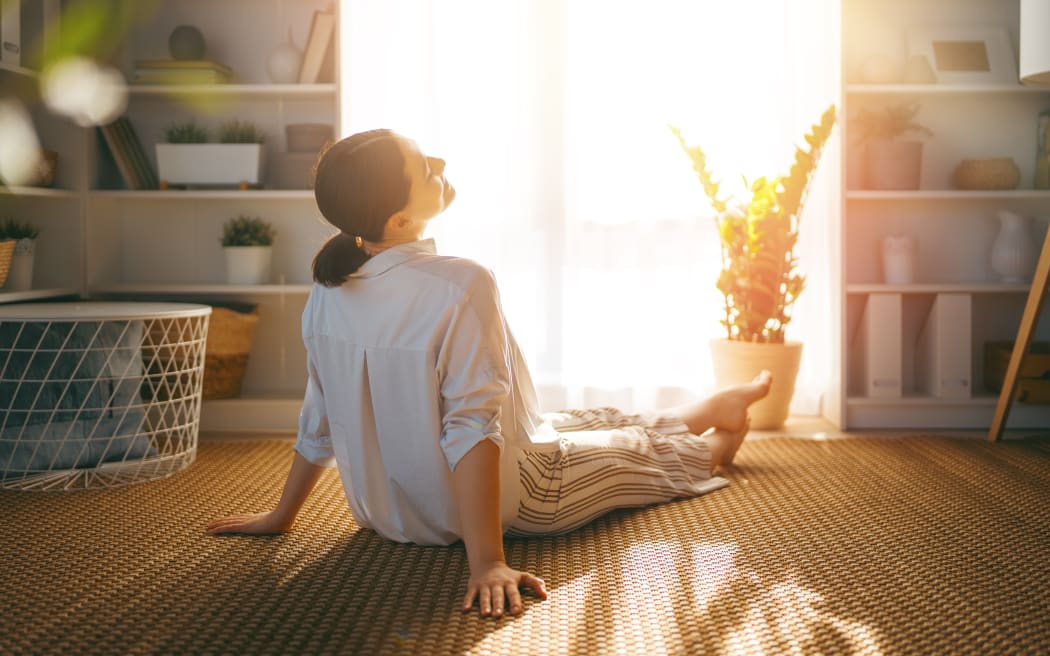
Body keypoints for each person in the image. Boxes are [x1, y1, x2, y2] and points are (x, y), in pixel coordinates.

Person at [206, 129, 773, 619]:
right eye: (424, 167)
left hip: (388, 514)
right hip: (523, 496)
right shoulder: (460, 284)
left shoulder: (328, 290)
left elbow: (320, 414)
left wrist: (283, 516)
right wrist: (490, 563)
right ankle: (723, 439)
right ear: (399, 218)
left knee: (584, 419)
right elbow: (472, 428)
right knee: (636, 455)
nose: (441, 166)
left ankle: (709, 409)